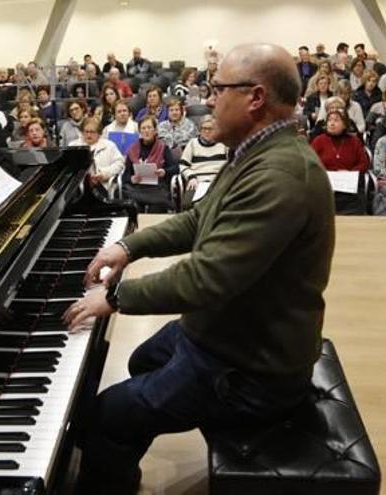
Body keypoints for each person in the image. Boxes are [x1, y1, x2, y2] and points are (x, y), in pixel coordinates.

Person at [64, 43, 333, 495]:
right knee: (141, 359)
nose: (209, 99)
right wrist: (128, 248)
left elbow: (206, 278)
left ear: (256, 97)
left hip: (252, 368)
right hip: (228, 334)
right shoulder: (254, 152)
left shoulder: (279, 175)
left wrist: (113, 299)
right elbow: (198, 219)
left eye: (217, 88)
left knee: (108, 416)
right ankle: (119, 460)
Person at [310, 109, 370, 213]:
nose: (332, 123)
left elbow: (363, 163)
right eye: (329, 120)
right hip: (325, 185)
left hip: (348, 186)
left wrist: (350, 173)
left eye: (336, 120)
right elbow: (310, 162)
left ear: (345, 124)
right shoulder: (319, 140)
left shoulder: (354, 141)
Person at [120, 116, 177, 212]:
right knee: (133, 206)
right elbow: (125, 175)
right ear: (139, 132)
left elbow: (175, 168)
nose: (146, 131)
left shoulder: (163, 148)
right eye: (143, 128)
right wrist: (131, 179)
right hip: (137, 188)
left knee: (156, 208)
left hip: (157, 188)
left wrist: (164, 171)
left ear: (155, 131)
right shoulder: (133, 149)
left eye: (149, 128)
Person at [177, 116, 227, 209]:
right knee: (187, 205)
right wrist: (191, 177)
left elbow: (231, 164)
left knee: (218, 205)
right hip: (197, 181)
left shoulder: (223, 143)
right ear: (200, 130)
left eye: (210, 129)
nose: (207, 131)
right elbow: (183, 165)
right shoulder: (193, 143)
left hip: (217, 181)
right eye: (204, 128)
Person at [70, 117, 124, 193]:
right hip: (78, 186)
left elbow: (119, 163)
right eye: (86, 131)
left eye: (92, 132)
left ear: (99, 133)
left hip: (101, 184)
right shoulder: (73, 146)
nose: (89, 135)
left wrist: (104, 173)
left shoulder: (109, 145)